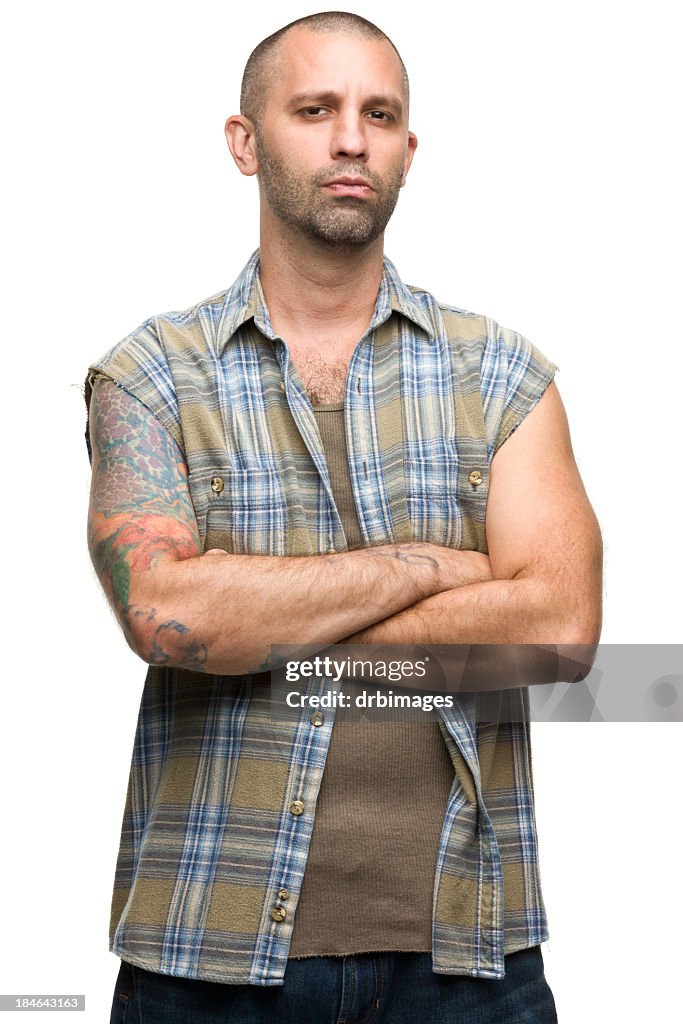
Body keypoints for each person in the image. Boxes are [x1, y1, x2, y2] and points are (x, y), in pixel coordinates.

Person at [85, 11, 602, 1023]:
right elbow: (163, 613)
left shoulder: (497, 373)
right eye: (314, 109)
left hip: (466, 960)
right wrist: (429, 566)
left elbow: (558, 628)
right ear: (245, 141)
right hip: (208, 954)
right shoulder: (149, 376)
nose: (351, 138)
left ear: (409, 146)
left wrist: (265, 615)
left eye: (379, 113)